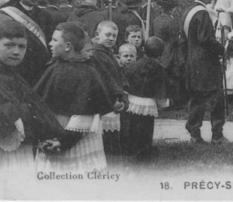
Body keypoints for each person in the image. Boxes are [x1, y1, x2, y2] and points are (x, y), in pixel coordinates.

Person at [0, 21, 77, 178]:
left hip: (21, 151)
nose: (16, 52)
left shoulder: (10, 73)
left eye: (21, 47)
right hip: (2, 153)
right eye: (9, 45)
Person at [34, 22, 115, 172]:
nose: (50, 44)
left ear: (68, 46)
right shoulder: (54, 68)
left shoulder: (87, 73)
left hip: (75, 137)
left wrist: (64, 141)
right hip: (52, 132)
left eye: (55, 40)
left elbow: (86, 114)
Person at [181, 0, 227, 145]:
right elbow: (206, 39)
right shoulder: (202, 13)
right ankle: (217, 135)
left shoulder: (187, 11)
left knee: (197, 99)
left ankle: (194, 133)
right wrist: (222, 49)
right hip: (207, 62)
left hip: (193, 60)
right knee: (216, 98)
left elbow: (183, 41)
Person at [120, 37, 167, 163]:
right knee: (146, 129)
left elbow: (125, 83)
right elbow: (160, 90)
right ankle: (144, 152)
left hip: (131, 101)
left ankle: (130, 151)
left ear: (143, 50)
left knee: (131, 127)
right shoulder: (159, 68)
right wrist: (162, 104)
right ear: (161, 53)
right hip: (148, 103)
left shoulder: (133, 65)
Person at [0, 0, 51, 86]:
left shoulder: (44, 15)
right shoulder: (5, 13)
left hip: (38, 66)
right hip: (16, 64)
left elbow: (48, 39)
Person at [91, 20, 129, 164]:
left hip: (115, 101)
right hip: (106, 103)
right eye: (107, 35)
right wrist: (113, 100)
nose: (111, 39)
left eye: (114, 36)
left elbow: (118, 77)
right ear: (97, 34)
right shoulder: (95, 54)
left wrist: (123, 97)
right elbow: (102, 81)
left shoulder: (107, 53)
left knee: (112, 141)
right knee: (107, 143)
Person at [152, 0, 184, 107]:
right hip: (170, 51)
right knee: (173, 77)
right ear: (172, 8)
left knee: (162, 77)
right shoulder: (172, 21)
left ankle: (163, 101)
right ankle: (174, 102)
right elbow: (175, 39)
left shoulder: (156, 19)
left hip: (158, 50)